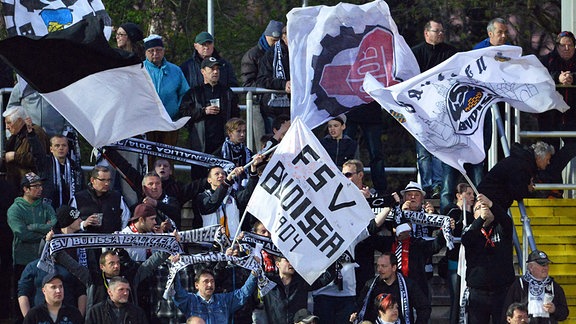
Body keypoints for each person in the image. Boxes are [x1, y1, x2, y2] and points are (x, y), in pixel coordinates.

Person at [411, 19, 457, 200]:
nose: (440, 34)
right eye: (437, 31)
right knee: (423, 152)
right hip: (420, 110)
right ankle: (425, 186)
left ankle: (438, 185)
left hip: (442, 110)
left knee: (439, 149)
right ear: (426, 33)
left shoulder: (451, 53)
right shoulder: (415, 53)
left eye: (442, 31)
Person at [461, 194, 515, 324]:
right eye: (478, 207)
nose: (484, 209)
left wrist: (491, 204)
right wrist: (480, 219)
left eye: (486, 207)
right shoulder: (470, 229)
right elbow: (467, 240)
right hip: (478, 292)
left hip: (502, 291)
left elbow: (507, 222)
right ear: (474, 215)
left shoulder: (501, 228)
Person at [179, 56, 240, 158]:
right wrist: (203, 111)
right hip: (200, 144)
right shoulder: (194, 93)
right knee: (199, 173)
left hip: (222, 144)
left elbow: (235, 116)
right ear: (203, 71)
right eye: (212, 69)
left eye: (217, 69)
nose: (215, 72)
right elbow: (183, 113)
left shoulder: (227, 93)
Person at [538, 31, 576, 192]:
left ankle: (549, 175)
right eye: (563, 45)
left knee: (573, 144)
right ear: (557, 46)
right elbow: (539, 76)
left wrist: (573, 78)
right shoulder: (547, 60)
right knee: (549, 151)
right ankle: (554, 192)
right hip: (550, 114)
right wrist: (557, 79)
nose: (566, 48)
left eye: (570, 45)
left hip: (572, 115)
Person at [350, 253, 431, 324]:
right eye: (378, 266)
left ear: (394, 267)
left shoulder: (409, 285)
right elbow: (360, 306)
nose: (379, 269)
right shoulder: (371, 285)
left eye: (383, 266)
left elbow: (424, 308)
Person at [241, 20, 284, 148]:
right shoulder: (252, 55)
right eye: (273, 41)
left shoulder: (285, 54)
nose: (276, 44)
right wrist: (273, 86)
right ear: (266, 37)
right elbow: (248, 83)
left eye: (278, 41)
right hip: (262, 106)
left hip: (282, 106)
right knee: (264, 144)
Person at [196, 154, 263, 236]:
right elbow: (212, 203)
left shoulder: (233, 195)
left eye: (223, 174)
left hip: (233, 244)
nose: (221, 175)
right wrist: (227, 181)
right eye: (217, 174)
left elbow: (249, 194)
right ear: (209, 180)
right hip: (211, 244)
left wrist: (253, 169)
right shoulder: (202, 196)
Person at [478, 141, 555, 211]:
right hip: (488, 200)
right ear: (539, 158)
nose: (548, 163)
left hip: (492, 199)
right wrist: (527, 188)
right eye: (547, 159)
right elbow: (517, 192)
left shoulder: (523, 162)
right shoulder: (523, 165)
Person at [143, 34, 190, 146]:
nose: (155, 54)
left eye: (158, 50)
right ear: (145, 53)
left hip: (170, 122)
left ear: (163, 51)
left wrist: (178, 110)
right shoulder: (139, 70)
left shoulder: (175, 70)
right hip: (146, 123)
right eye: (151, 51)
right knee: (148, 158)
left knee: (167, 158)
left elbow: (185, 93)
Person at [7, 172, 57, 279]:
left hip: (45, 260)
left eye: (41, 185)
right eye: (36, 186)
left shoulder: (47, 207)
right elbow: (23, 234)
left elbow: (54, 226)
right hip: (23, 261)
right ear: (26, 189)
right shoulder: (15, 209)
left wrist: (34, 227)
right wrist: (45, 235)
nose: (41, 189)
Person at [172, 267, 258, 323]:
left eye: (212, 281)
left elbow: (243, 293)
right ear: (196, 285)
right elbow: (177, 291)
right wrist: (174, 269)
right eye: (206, 281)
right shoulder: (189, 300)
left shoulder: (223, 300)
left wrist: (253, 275)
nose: (210, 285)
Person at [262, 256, 333, 324]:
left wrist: (334, 259)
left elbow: (325, 279)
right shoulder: (269, 282)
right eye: (287, 260)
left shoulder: (302, 282)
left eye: (293, 260)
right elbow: (254, 279)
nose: (291, 263)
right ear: (278, 264)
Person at [504, 250, 569, 323]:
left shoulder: (554, 286)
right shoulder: (519, 285)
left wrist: (554, 310)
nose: (545, 268)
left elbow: (564, 313)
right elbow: (507, 311)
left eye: (547, 264)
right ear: (531, 267)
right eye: (542, 265)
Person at [442, 183, 475, 324]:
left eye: (473, 194)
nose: (472, 197)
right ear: (458, 196)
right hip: (455, 263)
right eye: (468, 194)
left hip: (471, 264)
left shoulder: (475, 213)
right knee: (457, 300)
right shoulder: (451, 211)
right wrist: (466, 213)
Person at [70, 165, 131, 234]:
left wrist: (120, 235)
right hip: (87, 241)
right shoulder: (79, 198)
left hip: (111, 241)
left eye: (109, 180)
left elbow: (126, 218)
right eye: (102, 180)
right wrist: (83, 224)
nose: (106, 183)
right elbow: (70, 224)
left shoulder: (117, 197)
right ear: (92, 180)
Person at [2, 106, 49, 190]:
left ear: (19, 121)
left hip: (31, 187)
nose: (7, 127)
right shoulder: (15, 136)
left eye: (9, 123)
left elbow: (39, 158)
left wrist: (15, 156)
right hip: (17, 184)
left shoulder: (36, 133)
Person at [34, 134, 84, 210]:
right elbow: (37, 152)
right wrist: (31, 134)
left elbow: (82, 189)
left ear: (68, 148)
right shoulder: (45, 164)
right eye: (57, 146)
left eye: (64, 145)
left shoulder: (75, 167)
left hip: (71, 211)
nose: (61, 148)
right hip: (49, 210)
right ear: (51, 149)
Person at [257, 26, 290, 134]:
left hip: (294, 108)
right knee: (273, 141)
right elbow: (262, 80)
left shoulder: (301, 54)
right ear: (284, 36)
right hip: (272, 109)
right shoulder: (271, 54)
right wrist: (283, 84)